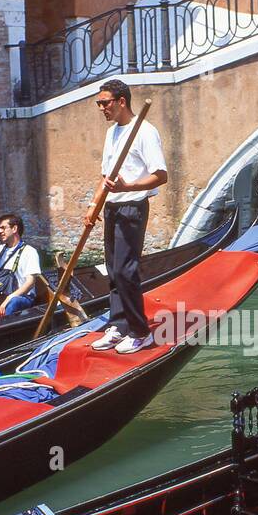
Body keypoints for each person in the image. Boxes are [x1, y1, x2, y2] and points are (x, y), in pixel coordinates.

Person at [89, 78, 167, 355]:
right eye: (98, 103)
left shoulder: (145, 131)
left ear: (121, 101)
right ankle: (119, 325)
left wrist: (128, 187)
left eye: (105, 102)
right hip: (112, 207)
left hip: (132, 207)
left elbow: (161, 175)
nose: (101, 108)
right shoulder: (112, 133)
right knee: (112, 271)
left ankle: (140, 331)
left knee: (126, 270)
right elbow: (105, 175)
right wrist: (94, 206)